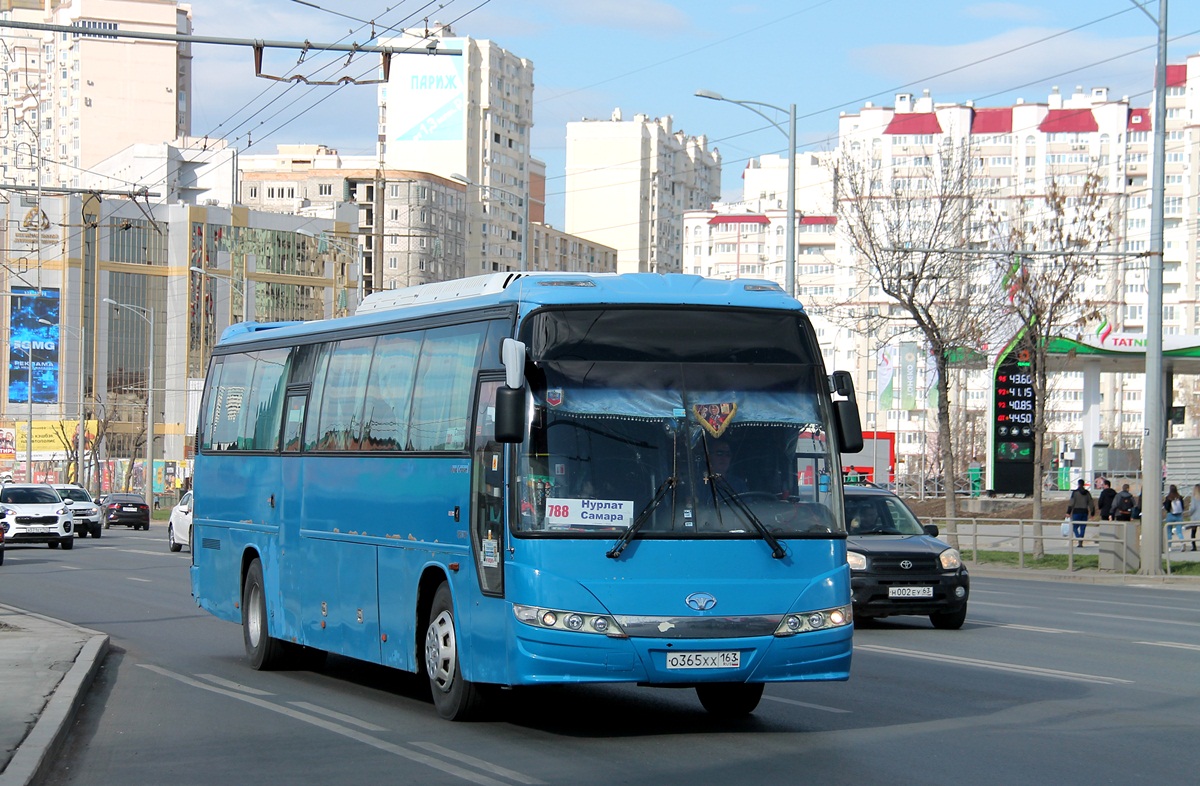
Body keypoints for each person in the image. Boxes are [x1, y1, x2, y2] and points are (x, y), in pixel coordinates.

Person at [1065, 479, 1095, 547]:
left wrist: (1068, 512)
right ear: (1084, 484)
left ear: (1078, 484)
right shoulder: (1087, 493)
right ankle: (1080, 542)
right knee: (1083, 527)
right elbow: (1091, 503)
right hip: (1084, 512)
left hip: (1076, 511)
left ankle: (1078, 538)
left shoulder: (1075, 493)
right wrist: (1092, 513)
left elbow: (1071, 503)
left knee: (1074, 527)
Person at [1163, 484, 1185, 550]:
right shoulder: (1180, 497)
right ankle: (1182, 542)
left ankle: (1169, 547)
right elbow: (1183, 507)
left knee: (1169, 531)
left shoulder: (1168, 497)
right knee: (1179, 531)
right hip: (1179, 515)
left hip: (1170, 515)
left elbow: (1167, 507)